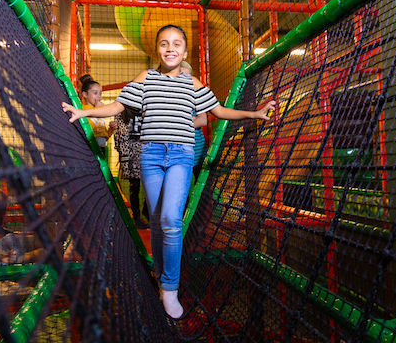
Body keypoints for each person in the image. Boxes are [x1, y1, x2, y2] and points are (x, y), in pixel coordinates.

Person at [61, 24, 275, 319]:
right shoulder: (146, 78)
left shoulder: (193, 84)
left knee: (171, 219)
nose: (170, 48)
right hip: (150, 157)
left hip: (180, 156)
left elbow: (219, 112)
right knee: (158, 223)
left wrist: (254, 113)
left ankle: (170, 287)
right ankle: (160, 275)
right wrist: (83, 112)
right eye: (164, 43)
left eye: (176, 44)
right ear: (157, 50)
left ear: (184, 52)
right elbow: (118, 106)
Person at [114, 108, 149, 229]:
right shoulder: (122, 111)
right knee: (135, 186)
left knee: (149, 183)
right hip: (131, 152)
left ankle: (145, 211)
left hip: (144, 150)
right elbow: (118, 134)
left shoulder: (146, 107)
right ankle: (137, 217)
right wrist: (123, 154)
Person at [180, 61, 208, 178]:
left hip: (197, 148)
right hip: (180, 152)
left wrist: (181, 121)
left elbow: (203, 120)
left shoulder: (195, 96)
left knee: (201, 185)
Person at [78, 74, 115, 150]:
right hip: (88, 148)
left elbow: (104, 136)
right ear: (85, 94)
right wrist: (98, 110)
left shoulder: (100, 110)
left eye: (100, 93)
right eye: (95, 93)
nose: (99, 96)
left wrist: (111, 129)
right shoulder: (83, 110)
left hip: (101, 148)